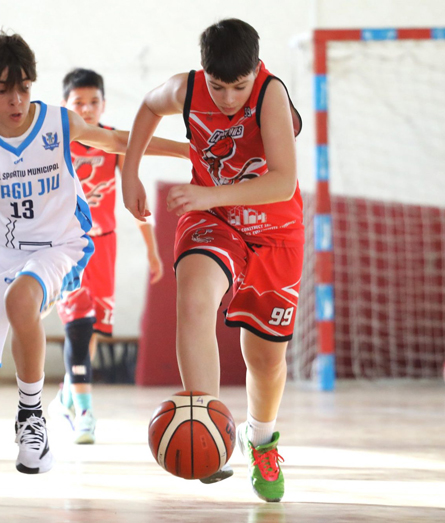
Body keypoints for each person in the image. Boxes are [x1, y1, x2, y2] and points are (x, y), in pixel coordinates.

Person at [0, 31, 187, 505]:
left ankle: (31, 417)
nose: (17, 101)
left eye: (24, 88)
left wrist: (189, 151)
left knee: (20, 298)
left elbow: (119, 140)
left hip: (58, 245)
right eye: (3, 90)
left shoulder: (57, 123)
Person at [120, 19, 303, 502]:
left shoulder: (271, 95)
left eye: (238, 86)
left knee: (266, 360)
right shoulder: (186, 90)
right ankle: (208, 430)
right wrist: (129, 173)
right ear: (205, 73)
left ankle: (260, 440)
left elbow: (282, 181)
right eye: (218, 86)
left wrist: (209, 192)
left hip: (274, 232)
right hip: (214, 219)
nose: (227, 97)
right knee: (195, 301)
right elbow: (147, 106)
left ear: (256, 70)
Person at [48, 68, 164, 444]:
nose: (86, 108)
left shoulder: (113, 142)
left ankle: (66, 396)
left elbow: (134, 199)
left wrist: (152, 250)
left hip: (105, 246)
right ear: (65, 105)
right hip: (68, 248)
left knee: (93, 331)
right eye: (78, 102)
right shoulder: (54, 144)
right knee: (78, 327)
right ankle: (85, 413)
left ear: (103, 104)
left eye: (93, 102)